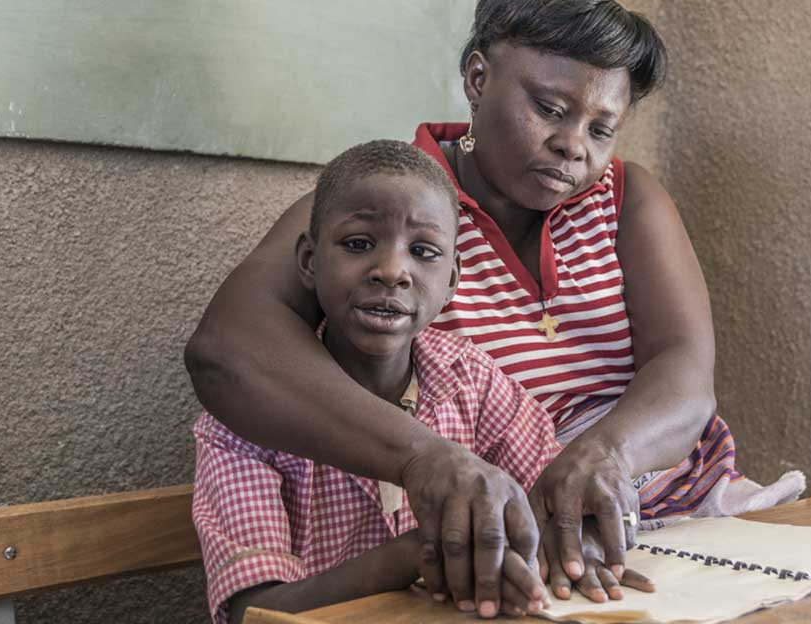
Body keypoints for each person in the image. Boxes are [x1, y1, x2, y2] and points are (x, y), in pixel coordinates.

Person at [185, 0, 804, 619]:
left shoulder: (626, 199)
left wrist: (608, 451)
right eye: (550, 110)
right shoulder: (394, 208)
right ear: (479, 79)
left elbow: (687, 376)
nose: (572, 147)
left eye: (601, 128)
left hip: (674, 521)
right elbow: (229, 352)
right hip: (516, 545)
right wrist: (427, 460)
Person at [193, 140, 577, 623]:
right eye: (358, 244)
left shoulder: (471, 381)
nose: (392, 271)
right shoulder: (246, 419)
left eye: (423, 251)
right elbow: (253, 611)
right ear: (309, 262)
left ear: (453, 280)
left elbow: (549, 503)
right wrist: (423, 552)